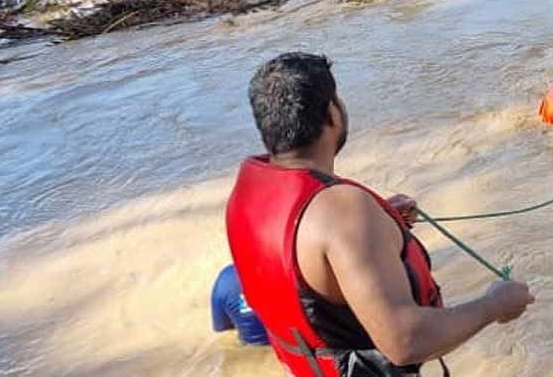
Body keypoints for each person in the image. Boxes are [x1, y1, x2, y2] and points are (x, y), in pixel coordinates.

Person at [226, 53, 534, 376]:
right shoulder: (343, 214)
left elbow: (301, 261)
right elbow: (405, 341)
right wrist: (493, 306)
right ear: (332, 114)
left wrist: (382, 223)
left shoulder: (245, 194)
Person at [211, 264, 270, 345]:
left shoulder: (225, 278)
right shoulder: (281, 267)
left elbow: (222, 329)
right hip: (285, 346)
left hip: (247, 348)